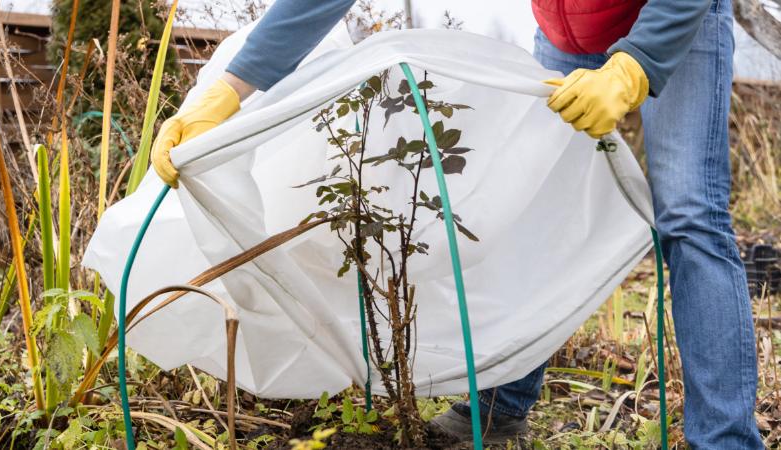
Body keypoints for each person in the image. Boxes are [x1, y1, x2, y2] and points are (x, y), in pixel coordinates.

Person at [150, 0, 762, 447]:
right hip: (567, 31)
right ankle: (500, 407)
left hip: (670, 17)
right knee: (531, 206)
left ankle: (725, 438)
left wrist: (635, 66)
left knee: (689, 216)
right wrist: (228, 90)